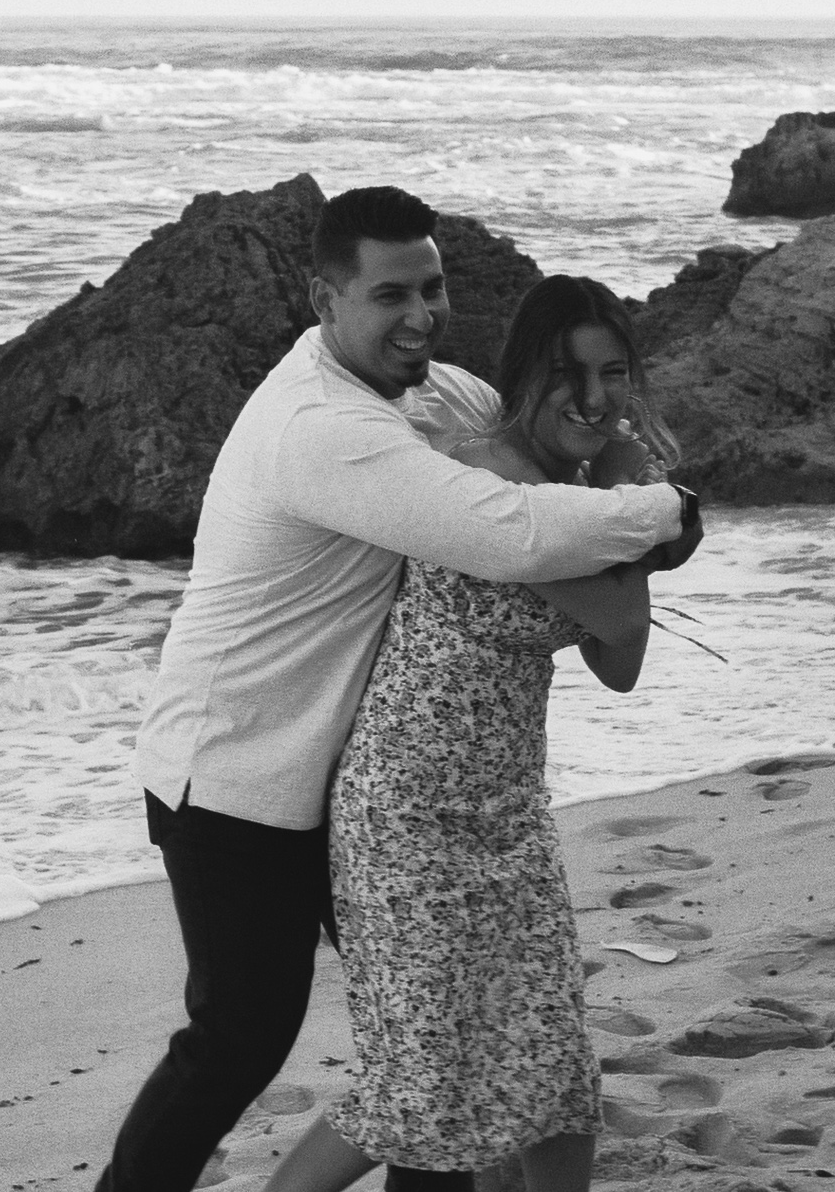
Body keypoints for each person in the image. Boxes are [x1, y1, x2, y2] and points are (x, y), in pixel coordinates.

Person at [94, 188, 702, 1192]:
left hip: (352, 773)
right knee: (243, 1037)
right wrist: (665, 506)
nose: (417, 314)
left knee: (441, 1039)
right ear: (323, 299)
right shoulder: (320, 425)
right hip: (232, 770)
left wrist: (617, 479)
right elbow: (507, 530)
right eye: (389, 295)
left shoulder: (437, 396)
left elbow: (522, 448)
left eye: (430, 288)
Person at [264, 273, 685, 1192]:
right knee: (418, 1092)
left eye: (614, 374)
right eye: (569, 373)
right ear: (525, 372)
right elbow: (614, 625)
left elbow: (622, 666)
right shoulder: (487, 480)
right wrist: (637, 511)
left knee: (553, 1076)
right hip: (407, 820)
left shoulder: (577, 494)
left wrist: (625, 508)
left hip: (506, 811)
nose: (594, 398)